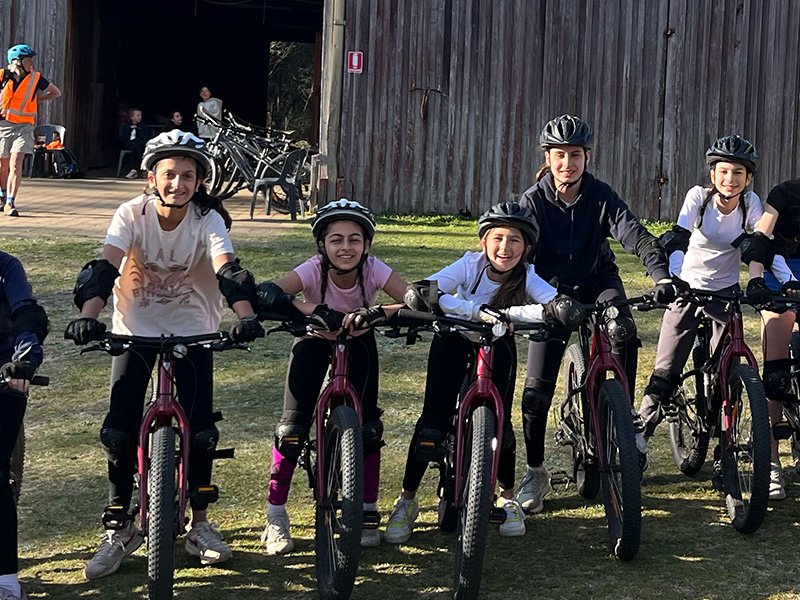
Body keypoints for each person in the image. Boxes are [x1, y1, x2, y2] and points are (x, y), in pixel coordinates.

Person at [64, 130, 264, 579]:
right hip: (135, 327)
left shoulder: (207, 218)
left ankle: (201, 525)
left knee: (202, 434)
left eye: (188, 175)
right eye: (169, 174)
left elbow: (226, 269)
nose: (178, 183)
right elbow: (105, 267)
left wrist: (245, 313)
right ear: (151, 177)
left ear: (199, 181)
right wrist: (89, 315)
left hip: (195, 328)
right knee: (118, 432)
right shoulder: (130, 213)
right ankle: (120, 525)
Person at [383, 202, 584, 543]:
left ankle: (506, 497)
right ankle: (407, 499)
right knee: (432, 419)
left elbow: (550, 304)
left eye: (515, 241)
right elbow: (433, 291)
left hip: (497, 344)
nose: (505, 248)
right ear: (483, 242)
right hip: (455, 339)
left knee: (501, 422)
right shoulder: (469, 264)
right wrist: (478, 312)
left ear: (527, 248)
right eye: (498, 239)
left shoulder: (528, 275)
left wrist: (536, 312)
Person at [515, 114, 682, 514]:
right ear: (548, 157)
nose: (567, 163)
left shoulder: (601, 195)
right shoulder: (533, 200)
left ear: (587, 157)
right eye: (559, 155)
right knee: (536, 396)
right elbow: (518, 252)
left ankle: (624, 426)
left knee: (622, 329)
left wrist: (661, 275)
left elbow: (634, 234)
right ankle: (535, 473)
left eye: (575, 155)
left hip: (597, 280)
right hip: (551, 291)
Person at [254, 198, 409, 554]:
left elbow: (413, 298)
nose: (346, 247)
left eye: (355, 239)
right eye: (336, 239)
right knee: (291, 430)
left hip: (358, 343)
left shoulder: (373, 269)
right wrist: (318, 311)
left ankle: (368, 510)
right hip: (314, 341)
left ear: (367, 245)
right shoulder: (312, 269)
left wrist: (376, 312)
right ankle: (275, 515)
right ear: (322, 245)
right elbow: (272, 293)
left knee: (369, 428)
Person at [637, 135, 767, 485]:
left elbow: (758, 245)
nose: (730, 179)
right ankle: (637, 439)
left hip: (725, 294)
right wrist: (676, 279)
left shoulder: (751, 203)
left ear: (748, 177)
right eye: (723, 171)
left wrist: (766, 281)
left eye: (738, 172)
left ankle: (727, 452)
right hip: (689, 287)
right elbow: (678, 239)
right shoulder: (698, 197)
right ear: (713, 174)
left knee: (731, 375)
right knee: (666, 369)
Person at [738, 176, 800, 499]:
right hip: (781, 273)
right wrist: (756, 279)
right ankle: (772, 460)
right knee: (776, 374)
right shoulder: (784, 193)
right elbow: (760, 237)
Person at [0, 251, 48, 600]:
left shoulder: (6, 266)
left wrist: (24, 359)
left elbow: (26, 313)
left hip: (5, 373)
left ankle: (5, 579)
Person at [0, 44, 61, 217]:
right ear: (17, 61)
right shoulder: (3, 75)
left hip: (25, 126)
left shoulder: (36, 78)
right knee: (2, 165)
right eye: (28, 59)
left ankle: (10, 202)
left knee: (16, 162)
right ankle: (2, 195)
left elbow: (56, 92)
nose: (32, 62)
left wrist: (39, 99)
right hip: (4, 125)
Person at [119, 108, 153, 179]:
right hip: (129, 145)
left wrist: (138, 129)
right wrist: (130, 129)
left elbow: (145, 138)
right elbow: (123, 138)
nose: (140, 117)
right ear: (132, 117)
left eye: (140, 115)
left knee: (136, 144)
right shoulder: (126, 126)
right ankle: (144, 164)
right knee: (135, 144)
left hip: (140, 146)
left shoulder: (143, 127)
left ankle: (133, 170)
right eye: (137, 115)